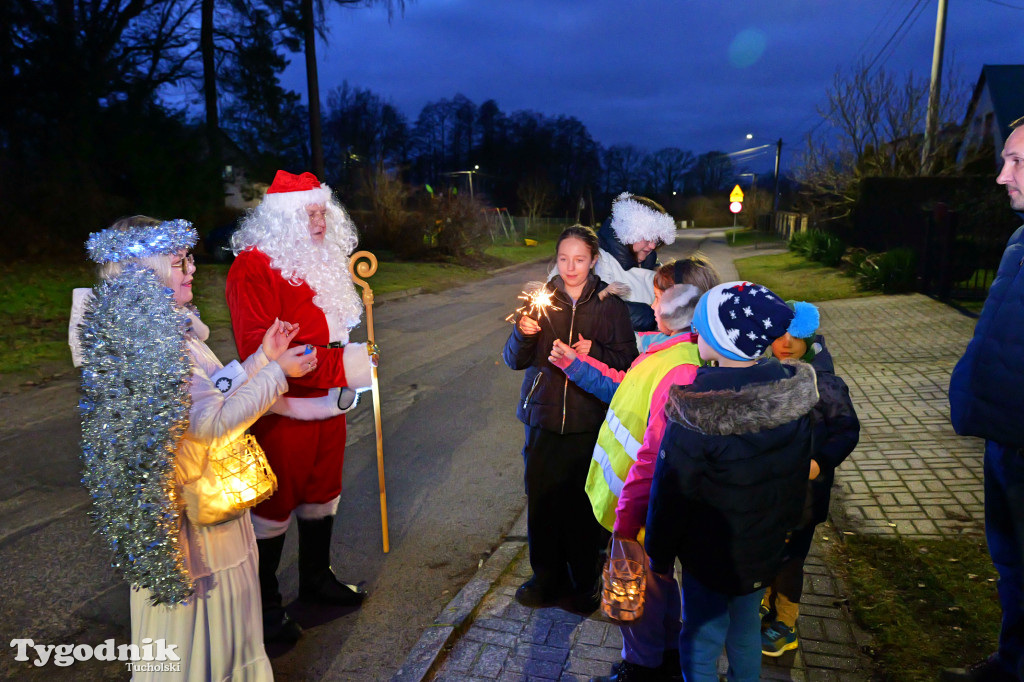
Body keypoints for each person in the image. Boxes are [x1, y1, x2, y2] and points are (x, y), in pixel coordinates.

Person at [74, 216, 315, 680]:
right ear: (146, 273)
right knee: (210, 645)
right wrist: (278, 373)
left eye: (189, 259)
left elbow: (212, 392)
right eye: (179, 261)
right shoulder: (163, 346)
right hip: (202, 530)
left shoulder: (160, 334)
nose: (192, 269)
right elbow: (212, 425)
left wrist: (263, 358)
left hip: (195, 512)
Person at [549, 256, 721, 682]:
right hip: (639, 503)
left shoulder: (681, 367)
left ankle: (642, 668)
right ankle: (666, 655)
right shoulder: (670, 351)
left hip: (639, 506)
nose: (654, 303)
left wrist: (627, 520)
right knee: (657, 582)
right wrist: (576, 364)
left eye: (661, 296)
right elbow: (625, 387)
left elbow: (655, 452)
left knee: (635, 590)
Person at [226, 170, 374, 644]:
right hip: (283, 414)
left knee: (322, 494)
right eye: (308, 213)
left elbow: (333, 332)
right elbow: (263, 353)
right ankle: (263, 606)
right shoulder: (253, 266)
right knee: (273, 506)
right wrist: (348, 366)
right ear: (281, 219)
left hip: (331, 408)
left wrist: (352, 361)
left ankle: (316, 577)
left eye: (322, 211)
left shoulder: (324, 258)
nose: (319, 221)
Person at [645, 281, 819, 682]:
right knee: (744, 629)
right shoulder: (790, 398)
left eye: (703, 327)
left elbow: (671, 493)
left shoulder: (694, 411)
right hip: (762, 550)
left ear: (725, 340)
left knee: (701, 638)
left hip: (709, 557)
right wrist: (784, 531)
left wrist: (658, 553)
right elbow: (795, 477)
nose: (695, 333)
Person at [503, 225, 638, 612]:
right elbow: (514, 360)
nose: (570, 267)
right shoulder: (541, 300)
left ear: (593, 260)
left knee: (582, 506)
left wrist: (594, 351)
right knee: (543, 501)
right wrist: (523, 333)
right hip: (543, 419)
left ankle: (584, 581)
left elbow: (628, 362)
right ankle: (546, 578)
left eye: (579, 259)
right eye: (563, 259)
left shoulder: (610, 305)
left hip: (588, 421)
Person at [948, 115, 1024, 682]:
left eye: (1017, 162)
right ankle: (1011, 660)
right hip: (1003, 436)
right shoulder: (1020, 240)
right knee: (1011, 562)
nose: (1002, 175)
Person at [759, 304, 860, 657]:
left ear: (808, 337)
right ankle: (765, 602)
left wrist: (820, 462)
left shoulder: (825, 384)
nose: (785, 343)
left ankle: (785, 621)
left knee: (790, 557)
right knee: (767, 547)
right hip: (769, 488)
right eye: (779, 334)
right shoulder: (766, 373)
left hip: (804, 492)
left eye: (795, 336)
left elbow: (847, 430)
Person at [593, 193, 678, 332]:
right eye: (647, 237)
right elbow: (603, 311)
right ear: (628, 231)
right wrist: (654, 317)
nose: (653, 245)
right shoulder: (597, 260)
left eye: (656, 239)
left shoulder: (652, 262)